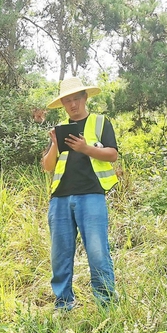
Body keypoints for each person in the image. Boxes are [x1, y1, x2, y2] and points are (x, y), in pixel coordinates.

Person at [41, 76, 119, 311]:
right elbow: (48, 166)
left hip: (91, 195)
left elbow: (112, 154)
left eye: (76, 98)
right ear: (63, 104)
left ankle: (106, 304)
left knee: (97, 251)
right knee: (60, 255)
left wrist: (85, 148)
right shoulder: (60, 130)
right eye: (67, 101)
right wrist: (55, 143)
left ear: (85, 98)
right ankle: (63, 305)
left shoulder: (100, 122)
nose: (73, 104)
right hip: (60, 199)